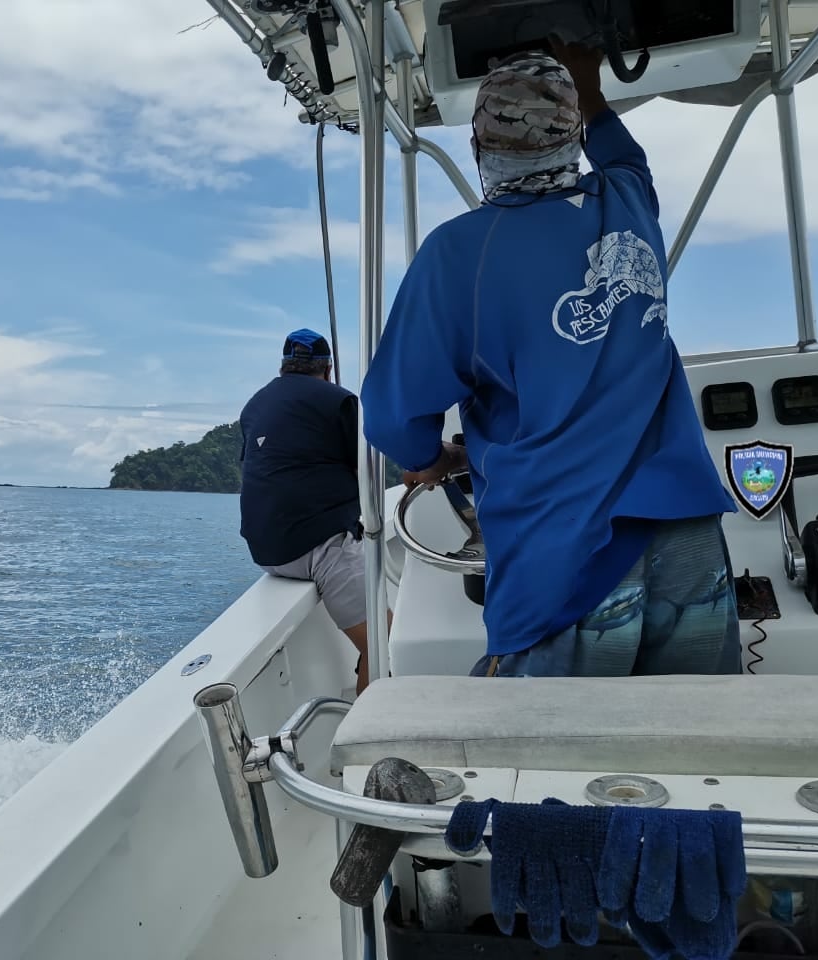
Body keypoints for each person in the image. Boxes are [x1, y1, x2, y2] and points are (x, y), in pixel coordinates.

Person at [360, 42, 741, 679]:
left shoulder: (458, 254)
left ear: (482, 149)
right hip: (686, 533)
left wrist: (433, 462)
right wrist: (587, 85)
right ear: (574, 136)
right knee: (695, 745)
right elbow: (623, 153)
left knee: (558, 760)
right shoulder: (629, 203)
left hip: (565, 556)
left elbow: (393, 416)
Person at [239, 328, 389, 693]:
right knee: (383, 641)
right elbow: (366, 470)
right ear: (328, 368)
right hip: (315, 547)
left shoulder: (253, 405)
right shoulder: (339, 400)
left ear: (284, 366)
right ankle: (364, 739)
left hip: (265, 552)